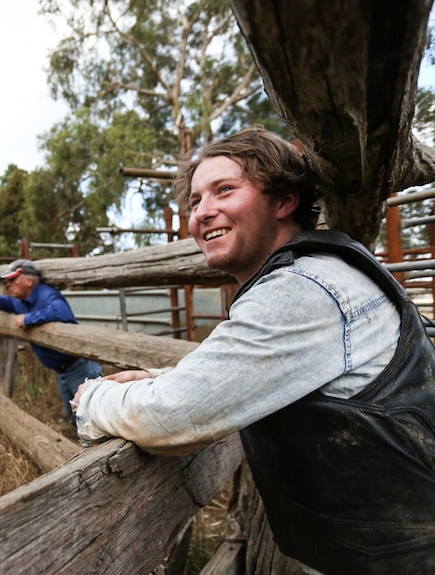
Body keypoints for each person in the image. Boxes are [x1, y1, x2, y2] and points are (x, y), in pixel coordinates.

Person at [73, 126, 435, 574]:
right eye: (195, 200)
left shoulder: (302, 290)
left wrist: (91, 399)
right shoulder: (319, 274)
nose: (204, 212)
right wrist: (161, 379)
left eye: (224, 190)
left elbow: (166, 416)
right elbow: (239, 371)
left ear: (284, 201)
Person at [0, 259, 103, 425]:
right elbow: (7, 302)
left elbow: (60, 312)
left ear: (29, 281)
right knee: (77, 419)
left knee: (94, 419)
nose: (7, 284)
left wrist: (29, 318)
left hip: (80, 368)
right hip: (62, 371)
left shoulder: (46, 294)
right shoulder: (23, 300)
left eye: (12, 280)